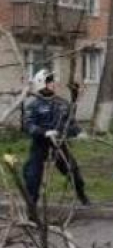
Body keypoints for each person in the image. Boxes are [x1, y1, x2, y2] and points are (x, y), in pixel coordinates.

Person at [23, 69, 90, 213]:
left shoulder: (62, 103)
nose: (54, 84)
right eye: (50, 81)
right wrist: (43, 132)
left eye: (53, 81)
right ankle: (32, 210)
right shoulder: (33, 105)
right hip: (40, 144)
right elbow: (28, 125)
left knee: (72, 170)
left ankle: (82, 196)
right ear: (42, 83)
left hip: (58, 144)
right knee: (32, 176)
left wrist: (78, 132)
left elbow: (69, 123)